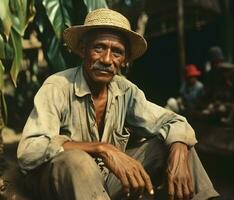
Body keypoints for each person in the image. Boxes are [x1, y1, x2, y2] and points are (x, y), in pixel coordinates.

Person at [17, 8, 219, 200]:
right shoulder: (57, 86)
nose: (106, 59)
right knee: (77, 160)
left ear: (125, 61)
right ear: (82, 50)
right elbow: (29, 152)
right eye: (99, 48)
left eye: (117, 52)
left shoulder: (125, 91)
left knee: (178, 144)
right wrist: (102, 148)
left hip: (102, 185)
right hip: (58, 187)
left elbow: (174, 122)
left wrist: (179, 151)